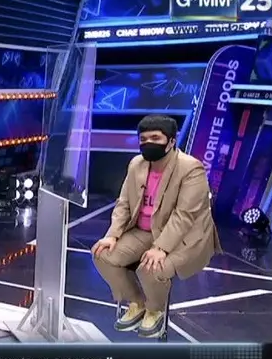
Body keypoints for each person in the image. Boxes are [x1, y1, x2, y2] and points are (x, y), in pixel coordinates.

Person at [92, 114, 221, 338]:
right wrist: (112, 235)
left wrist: (161, 248)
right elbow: (124, 203)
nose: (148, 143)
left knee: (150, 268)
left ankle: (155, 309)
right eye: (143, 139)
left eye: (155, 138)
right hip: (144, 230)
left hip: (184, 237)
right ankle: (137, 302)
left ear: (171, 141)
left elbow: (184, 215)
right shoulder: (136, 164)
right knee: (101, 254)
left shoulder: (191, 168)